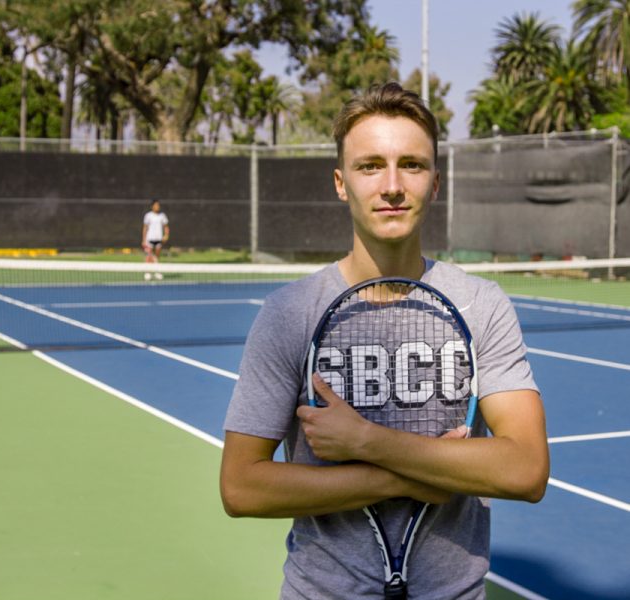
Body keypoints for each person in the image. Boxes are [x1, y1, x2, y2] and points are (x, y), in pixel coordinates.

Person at [219, 82, 549, 599]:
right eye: (370, 165)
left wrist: (367, 443)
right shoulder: (289, 314)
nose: (391, 185)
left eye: (411, 165)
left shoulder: (482, 304)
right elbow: (241, 486)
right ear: (341, 182)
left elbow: (527, 470)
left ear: (435, 182)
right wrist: (414, 477)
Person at [142, 199, 170, 280]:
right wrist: (144, 239)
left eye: (158, 205)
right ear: (152, 206)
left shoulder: (162, 216)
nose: (157, 207)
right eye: (156, 205)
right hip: (149, 239)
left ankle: (157, 272)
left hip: (159, 239)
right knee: (149, 256)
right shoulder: (148, 215)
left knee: (157, 256)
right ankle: (148, 272)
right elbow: (145, 228)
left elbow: (166, 227)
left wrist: (166, 235)